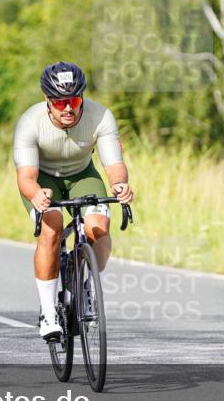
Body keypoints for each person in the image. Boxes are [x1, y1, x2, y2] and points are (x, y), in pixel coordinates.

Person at [13, 62, 135, 340]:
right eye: (60, 102)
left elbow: (113, 164)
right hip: (43, 180)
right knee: (51, 229)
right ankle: (48, 312)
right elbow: (26, 177)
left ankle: (89, 285)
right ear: (48, 101)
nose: (68, 108)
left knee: (99, 230)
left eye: (74, 100)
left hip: (82, 174)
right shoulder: (30, 123)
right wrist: (36, 195)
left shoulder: (100, 116)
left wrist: (119, 185)